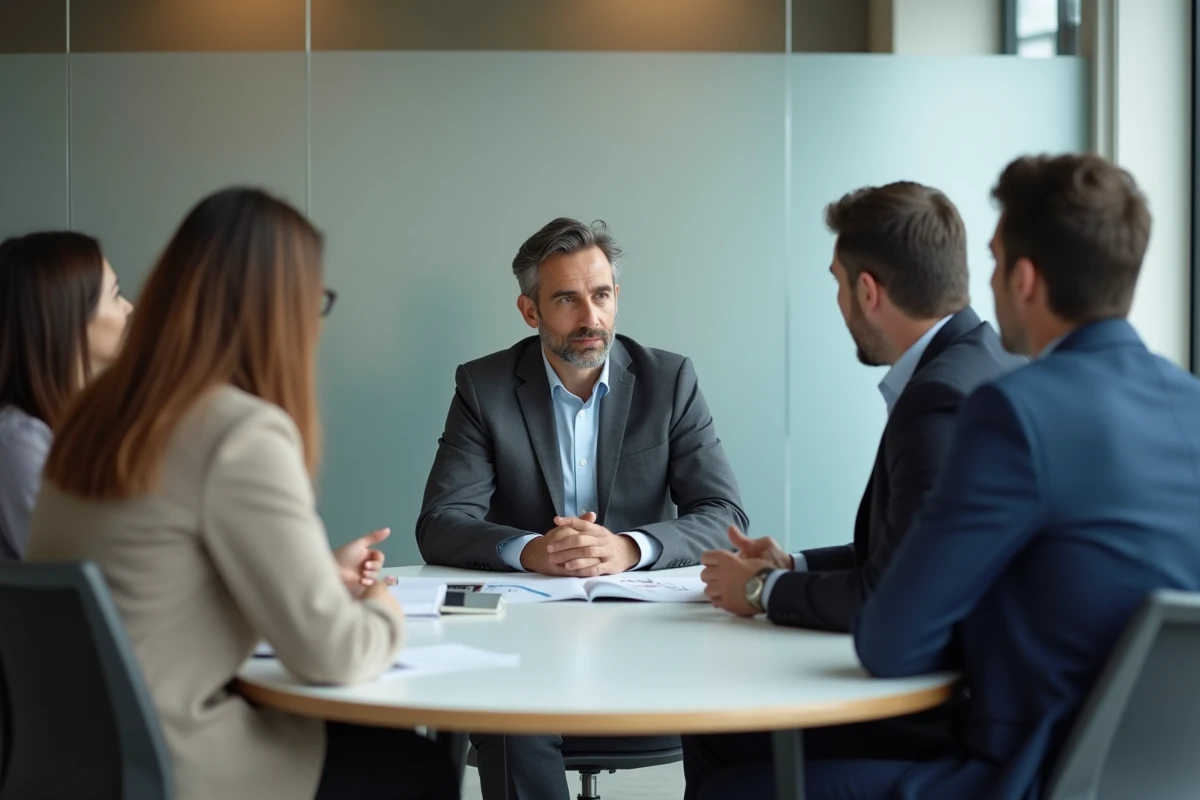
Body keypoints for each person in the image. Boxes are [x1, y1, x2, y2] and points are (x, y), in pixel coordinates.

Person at [695, 154, 1200, 799]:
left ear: (1023, 278)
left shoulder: (1017, 411)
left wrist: (770, 590)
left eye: (992, 261)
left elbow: (891, 642)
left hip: (1024, 772)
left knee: (729, 790)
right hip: (1156, 779)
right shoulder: (1187, 402)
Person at [27, 188, 458, 800]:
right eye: (316, 301)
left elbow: (163, 587)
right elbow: (332, 653)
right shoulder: (237, 430)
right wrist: (383, 610)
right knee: (418, 769)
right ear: (281, 308)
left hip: (75, 758)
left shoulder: (96, 413)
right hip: (177, 759)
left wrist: (310, 579)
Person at [685, 180, 1024, 797]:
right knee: (715, 731)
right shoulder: (988, 361)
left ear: (868, 291)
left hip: (953, 720)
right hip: (972, 690)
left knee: (721, 764)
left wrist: (763, 589)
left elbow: (889, 595)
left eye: (838, 282)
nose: (839, 300)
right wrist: (795, 564)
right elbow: (915, 552)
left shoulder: (939, 400)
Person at [416, 216, 747, 799]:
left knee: (737, 700)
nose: (590, 318)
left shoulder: (669, 380)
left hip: (651, 627)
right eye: (566, 299)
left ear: (616, 297)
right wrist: (531, 552)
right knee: (512, 717)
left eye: (600, 296)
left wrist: (629, 547)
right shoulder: (483, 386)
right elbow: (442, 522)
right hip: (523, 629)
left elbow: (724, 514)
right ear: (530, 311)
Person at [0, 231, 133, 560]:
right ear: (69, 319)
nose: (130, 308)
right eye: (116, 296)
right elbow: (77, 565)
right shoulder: (17, 441)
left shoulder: (93, 423)